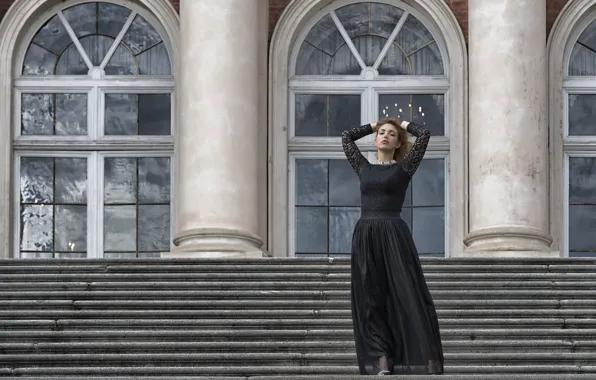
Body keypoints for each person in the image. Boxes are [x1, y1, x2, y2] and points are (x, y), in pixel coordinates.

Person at [341, 118, 444, 375]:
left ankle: (427, 355)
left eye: (391, 134)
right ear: (376, 140)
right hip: (366, 234)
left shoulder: (404, 168)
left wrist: (403, 124)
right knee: (370, 299)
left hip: (394, 234)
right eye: (382, 134)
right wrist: (374, 125)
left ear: (399, 143)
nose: (386, 136)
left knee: (408, 293)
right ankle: (382, 359)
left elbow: (425, 135)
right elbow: (346, 137)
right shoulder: (364, 167)